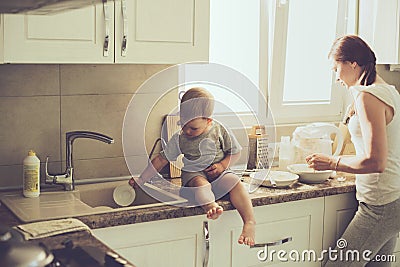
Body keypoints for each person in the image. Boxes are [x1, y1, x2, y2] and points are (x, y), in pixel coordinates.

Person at [306, 35, 400, 266]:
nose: (336, 77)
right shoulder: (388, 91)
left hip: (381, 205)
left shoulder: (367, 96)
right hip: (393, 197)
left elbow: (375, 162)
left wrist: (332, 162)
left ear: (352, 64)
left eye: (336, 68)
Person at [129, 87, 256, 246]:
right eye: (183, 125)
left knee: (234, 181)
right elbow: (161, 160)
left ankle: (249, 222)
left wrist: (222, 165)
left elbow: (235, 152)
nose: (187, 131)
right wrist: (142, 179)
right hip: (194, 174)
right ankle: (211, 205)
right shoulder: (179, 139)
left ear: (208, 120)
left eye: (194, 128)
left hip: (219, 173)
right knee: (199, 184)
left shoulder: (219, 130)